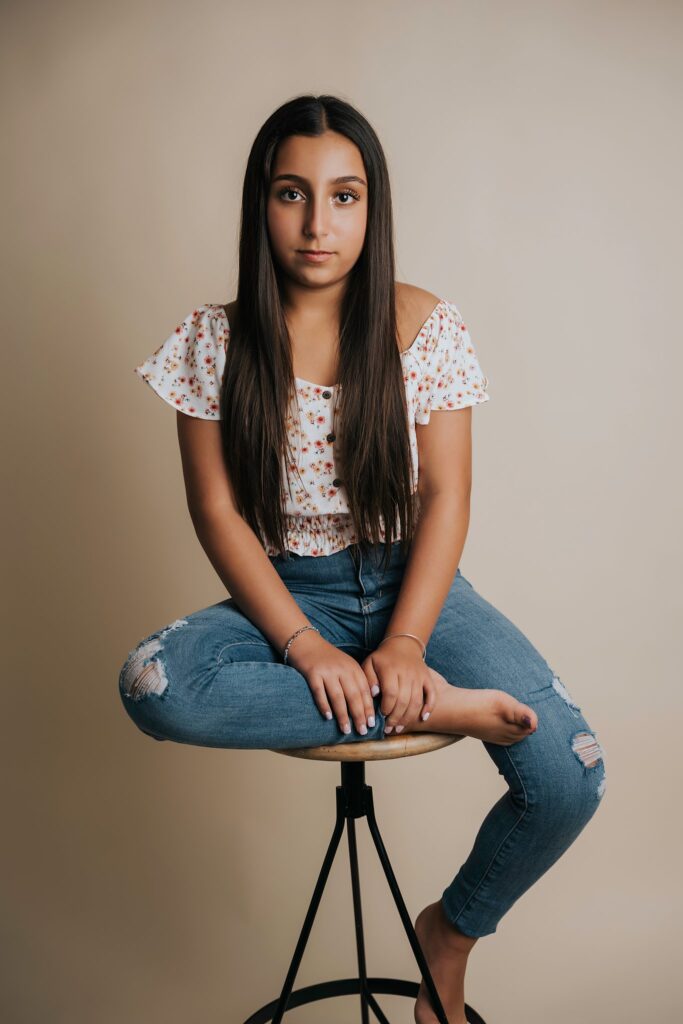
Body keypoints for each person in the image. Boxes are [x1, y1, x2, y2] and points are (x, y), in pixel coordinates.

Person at [118, 94, 606, 1024]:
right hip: (284, 589)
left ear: (372, 209)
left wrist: (411, 642)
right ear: (260, 203)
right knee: (151, 685)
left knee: (569, 774)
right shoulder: (209, 342)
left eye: (344, 197)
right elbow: (217, 512)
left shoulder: (423, 325)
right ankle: (427, 712)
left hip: (408, 581)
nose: (316, 224)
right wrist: (303, 644)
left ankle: (449, 935)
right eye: (292, 193)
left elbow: (446, 500)